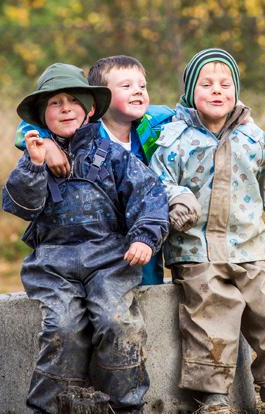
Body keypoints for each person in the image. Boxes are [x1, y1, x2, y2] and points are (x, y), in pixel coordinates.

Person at [149, 48, 265, 414]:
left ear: (236, 90)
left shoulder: (253, 138)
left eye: (225, 84)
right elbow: (158, 183)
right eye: (206, 84)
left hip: (248, 248)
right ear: (189, 92)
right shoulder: (173, 140)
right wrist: (178, 199)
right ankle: (214, 400)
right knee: (209, 321)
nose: (217, 90)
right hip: (196, 252)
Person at [3, 62, 169, 414]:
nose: (65, 109)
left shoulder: (112, 156)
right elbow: (21, 205)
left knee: (117, 322)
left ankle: (127, 407)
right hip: (53, 266)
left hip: (109, 262)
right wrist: (34, 165)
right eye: (54, 103)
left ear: (90, 108)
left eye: (72, 101)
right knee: (62, 328)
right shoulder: (34, 155)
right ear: (42, 116)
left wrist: (143, 238)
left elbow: (149, 195)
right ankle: (46, 409)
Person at [14, 55, 174, 285]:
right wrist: (47, 142)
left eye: (142, 85)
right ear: (95, 102)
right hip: (97, 231)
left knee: (147, 280)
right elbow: (30, 125)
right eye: (127, 86)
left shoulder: (154, 123)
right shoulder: (85, 131)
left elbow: (194, 112)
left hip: (141, 218)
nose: (138, 91)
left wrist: (234, 113)